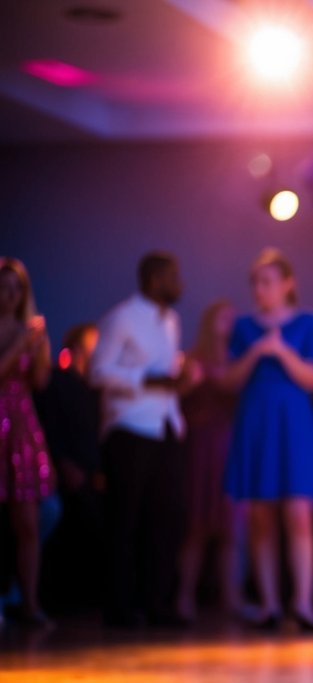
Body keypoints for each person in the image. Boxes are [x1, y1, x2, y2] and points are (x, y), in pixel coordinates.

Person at [91, 251, 200, 628]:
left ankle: (157, 602)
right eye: (174, 276)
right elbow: (98, 371)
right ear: (155, 279)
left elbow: (168, 374)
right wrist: (145, 380)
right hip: (130, 428)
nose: (180, 283)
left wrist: (179, 383)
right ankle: (119, 606)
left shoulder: (171, 320)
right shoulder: (121, 318)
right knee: (126, 519)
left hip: (165, 427)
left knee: (166, 518)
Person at [224, 248, 313, 632]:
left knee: (299, 513)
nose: (259, 289)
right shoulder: (243, 327)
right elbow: (229, 380)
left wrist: (281, 351)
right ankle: (269, 604)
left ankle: (303, 603)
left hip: (295, 425)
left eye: (267, 281)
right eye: (255, 282)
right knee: (260, 516)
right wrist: (256, 351)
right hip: (257, 423)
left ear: (288, 284)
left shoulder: (306, 323)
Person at [176, 300, 242, 622]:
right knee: (197, 526)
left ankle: (232, 598)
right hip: (201, 446)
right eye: (222, 318)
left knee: (231, 529)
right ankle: (184, 596)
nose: (227, 324)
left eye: (232, 318)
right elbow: (181, 399)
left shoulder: (238, 361)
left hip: (230, 447)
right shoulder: (192, 359)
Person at [0, 258, 55, 627]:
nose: (10, 295)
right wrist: (20, 342)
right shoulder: (13, 334)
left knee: (30, 521)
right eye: (4, 287)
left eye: (17, 288)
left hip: (22, 424)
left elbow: (40, 383)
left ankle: (29, 602)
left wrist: (39, 350)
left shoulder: (28, 330)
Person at [35, 323, 103, 612]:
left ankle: (83, 599)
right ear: (77, 348)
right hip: (67, 471)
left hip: (89, 470)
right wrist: (63, 461)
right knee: (64, 535)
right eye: (93, 345)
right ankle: (57, 599)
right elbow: (52, 425)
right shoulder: (60, 383)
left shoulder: (93, 388)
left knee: (90, 535)